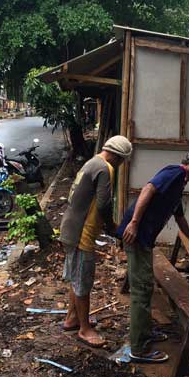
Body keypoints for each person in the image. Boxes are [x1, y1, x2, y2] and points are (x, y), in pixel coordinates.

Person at [118, 150, 189, 363]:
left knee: (145, 286)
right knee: (142, 290)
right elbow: (148, 189)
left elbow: (179, 217)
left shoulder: (179, 185)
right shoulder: (174, 173)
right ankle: (139, 348)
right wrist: (134, 223)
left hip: (144, 238)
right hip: (136, 235)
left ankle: (144, 333)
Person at [59, 135, 133, 347]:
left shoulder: (91, 162)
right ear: (119, 157)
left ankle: (72, 319)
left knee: (75, 278)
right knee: (83, 282)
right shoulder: (105, 168)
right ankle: (84, 329)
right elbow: (103, 204)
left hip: (70, 228)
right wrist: (113, 228)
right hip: (82, 234)